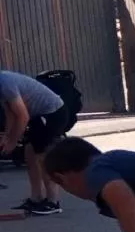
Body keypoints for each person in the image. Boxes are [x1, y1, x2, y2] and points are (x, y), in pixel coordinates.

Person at [3, 68, 79, 216]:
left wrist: (12, 141)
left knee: (42, 156)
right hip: (39, 115)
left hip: (53, 113)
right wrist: (7, 136)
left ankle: (53, 202)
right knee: (29, 153)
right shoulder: (3, 86)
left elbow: (22, 116)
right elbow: (10, 113)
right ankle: (36, 198)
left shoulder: (5, 83)